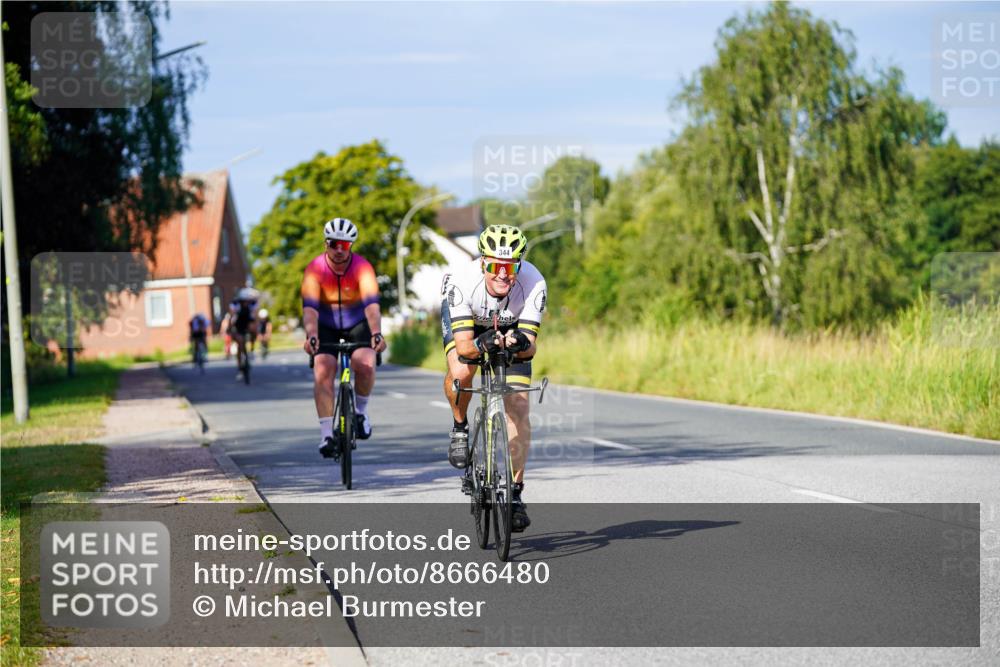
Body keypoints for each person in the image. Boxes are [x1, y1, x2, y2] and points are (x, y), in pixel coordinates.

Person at [441, 224, 546, 532]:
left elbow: (530, 347)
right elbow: (463, 348)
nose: (503, 273)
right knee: (462, 371)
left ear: (519, 265)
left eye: (510, 266)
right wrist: (480, 343)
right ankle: (460, 427)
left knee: (519, 407)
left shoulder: (534, 282)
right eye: (495, 266)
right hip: (469, 325)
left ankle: (515, 494)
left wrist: (522, 344)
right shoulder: (462, 282)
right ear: (483, 262)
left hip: (511, 325)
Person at [301, 217, 387, 459]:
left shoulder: (362, 267)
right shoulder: (315, 269)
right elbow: (310, 309)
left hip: (357, 322)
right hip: (325, 323)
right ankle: (327, 434)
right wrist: (312, 335)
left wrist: (376, 333)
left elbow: (371, 305)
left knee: (366, 363)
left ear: (351, 246)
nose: (339, 250)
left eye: (345, 245)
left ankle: (360, 412)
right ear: (326, 243)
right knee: (323, 368)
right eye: (334, 244)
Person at [230, 288, 259, 378]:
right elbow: (232, 317)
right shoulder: (235, 304)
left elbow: (255, 316)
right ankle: (240, 366)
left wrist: (254, 328)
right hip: (238, 324)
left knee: (253, 328)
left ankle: (252, 347)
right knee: (239, 344)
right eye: (244, 301)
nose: (246, 302)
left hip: (247, 322)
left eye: (248, 301)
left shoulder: (253, 303)